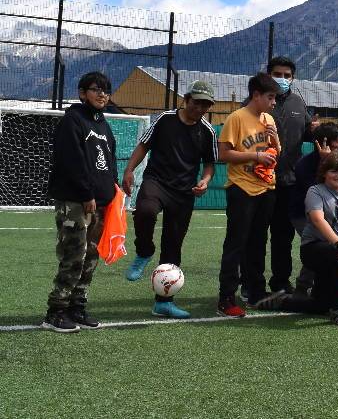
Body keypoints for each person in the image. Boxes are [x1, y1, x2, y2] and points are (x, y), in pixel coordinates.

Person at [121, 80, 217, 318]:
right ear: (186, 100)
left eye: (206, 104)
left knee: (173, 246)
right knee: (145, 211)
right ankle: (144, 251)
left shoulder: (208, 131)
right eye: (197, 102)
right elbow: (144, 145)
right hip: (157, 182)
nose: (200, 108)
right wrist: (129, 170)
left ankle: (164, 302)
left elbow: (210, 165)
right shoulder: (165, 119)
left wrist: (205, 181)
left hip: (184, 192)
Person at [42, 71, 118, 333]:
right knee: (74, 255)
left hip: (100, 203)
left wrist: (112, 191)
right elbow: (71, 162)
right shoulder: (72, 121)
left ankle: (77, 307)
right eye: (96, 89)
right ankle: (56, 311)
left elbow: (109, 162)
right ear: (82, 93)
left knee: (91, 258)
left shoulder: (103, 124)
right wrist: (87, 194)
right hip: (76, 201)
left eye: (106, 90)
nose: (102, 94)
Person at [257, 152, 338, 327]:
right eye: (333, 171)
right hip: (314, 249)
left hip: (337, 253)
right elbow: (317, 219)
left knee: (320, 305)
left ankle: (281, 301)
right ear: (324, 173)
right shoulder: (315, 191)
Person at [216, 72, 281, 317]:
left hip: (266, 188)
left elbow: (276, 153)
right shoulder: (237, 118)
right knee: (236, 244)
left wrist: (274, 140)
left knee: (258, 244)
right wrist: (255, 156)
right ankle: (226, 297)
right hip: (242, 188)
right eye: (270, 97)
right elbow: (223, 154)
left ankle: (255, 292)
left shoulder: (269, 119)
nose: (274, 102)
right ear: (256, 95)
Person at [259, 56, 317, 297]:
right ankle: (252, 284)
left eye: (287, 75)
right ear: (268, 74)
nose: (282, 79)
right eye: (277, 74)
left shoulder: (298, 103)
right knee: (256, 236)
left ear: (293, 78)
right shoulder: (257, 101)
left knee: (282, 237)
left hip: (288, 182)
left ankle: (281, 283)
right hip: (259, 181)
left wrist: (316, 130)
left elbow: (307, 133)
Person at [289, 122, 338, 297]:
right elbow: (315, 192)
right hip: (303, 214)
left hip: (326, 214)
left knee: (321, 248)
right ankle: (305, 287)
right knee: (320, 246)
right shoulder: (304, 165)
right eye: (336, 141)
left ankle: (307, 287)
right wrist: (324, 160)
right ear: (321, 143)